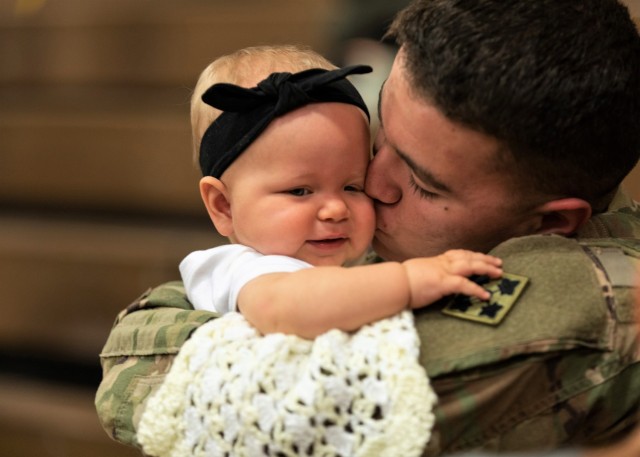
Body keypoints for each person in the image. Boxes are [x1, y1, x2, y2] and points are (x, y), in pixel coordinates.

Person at [95, 0, 640, 455]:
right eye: (380, 140)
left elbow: (140, 377)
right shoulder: (446, 236)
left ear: (552, 221)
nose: (369, 186)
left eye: (425, 184)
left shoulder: (586, 299)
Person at [180, 46, 502, 339]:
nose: (336, 209)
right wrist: (409, 282)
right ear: (224, 206)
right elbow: (283, 307)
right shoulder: (243, 267)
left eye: (353, 186)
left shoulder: (326, 264)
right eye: (300, 190)